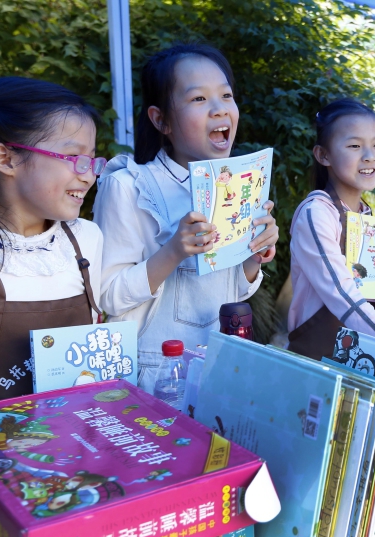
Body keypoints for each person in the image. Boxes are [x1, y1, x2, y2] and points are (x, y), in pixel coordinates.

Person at [94, 44, 279, 393]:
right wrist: (172, 252)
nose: (219, 109)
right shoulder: (129, 186)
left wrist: (253, 258)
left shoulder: (237, 184)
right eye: (198, 99)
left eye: (226, 95)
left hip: (217, 370)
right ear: (160, 119)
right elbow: (107, 296)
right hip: (151, 379)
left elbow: (233, 290)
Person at [0, 78, 105, 402]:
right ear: (6, 159)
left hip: (76, 443)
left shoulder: (86, 240)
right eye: (74, 157)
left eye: (92, 159)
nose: (88, 174)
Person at [287, 99, 375, 358]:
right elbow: (342, 295)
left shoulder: (364, 215)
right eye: (355, 145)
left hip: (355, 357)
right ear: (323, 155)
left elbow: (363, 295)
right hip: (317, 359)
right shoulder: (316, 213)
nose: (369, 156)